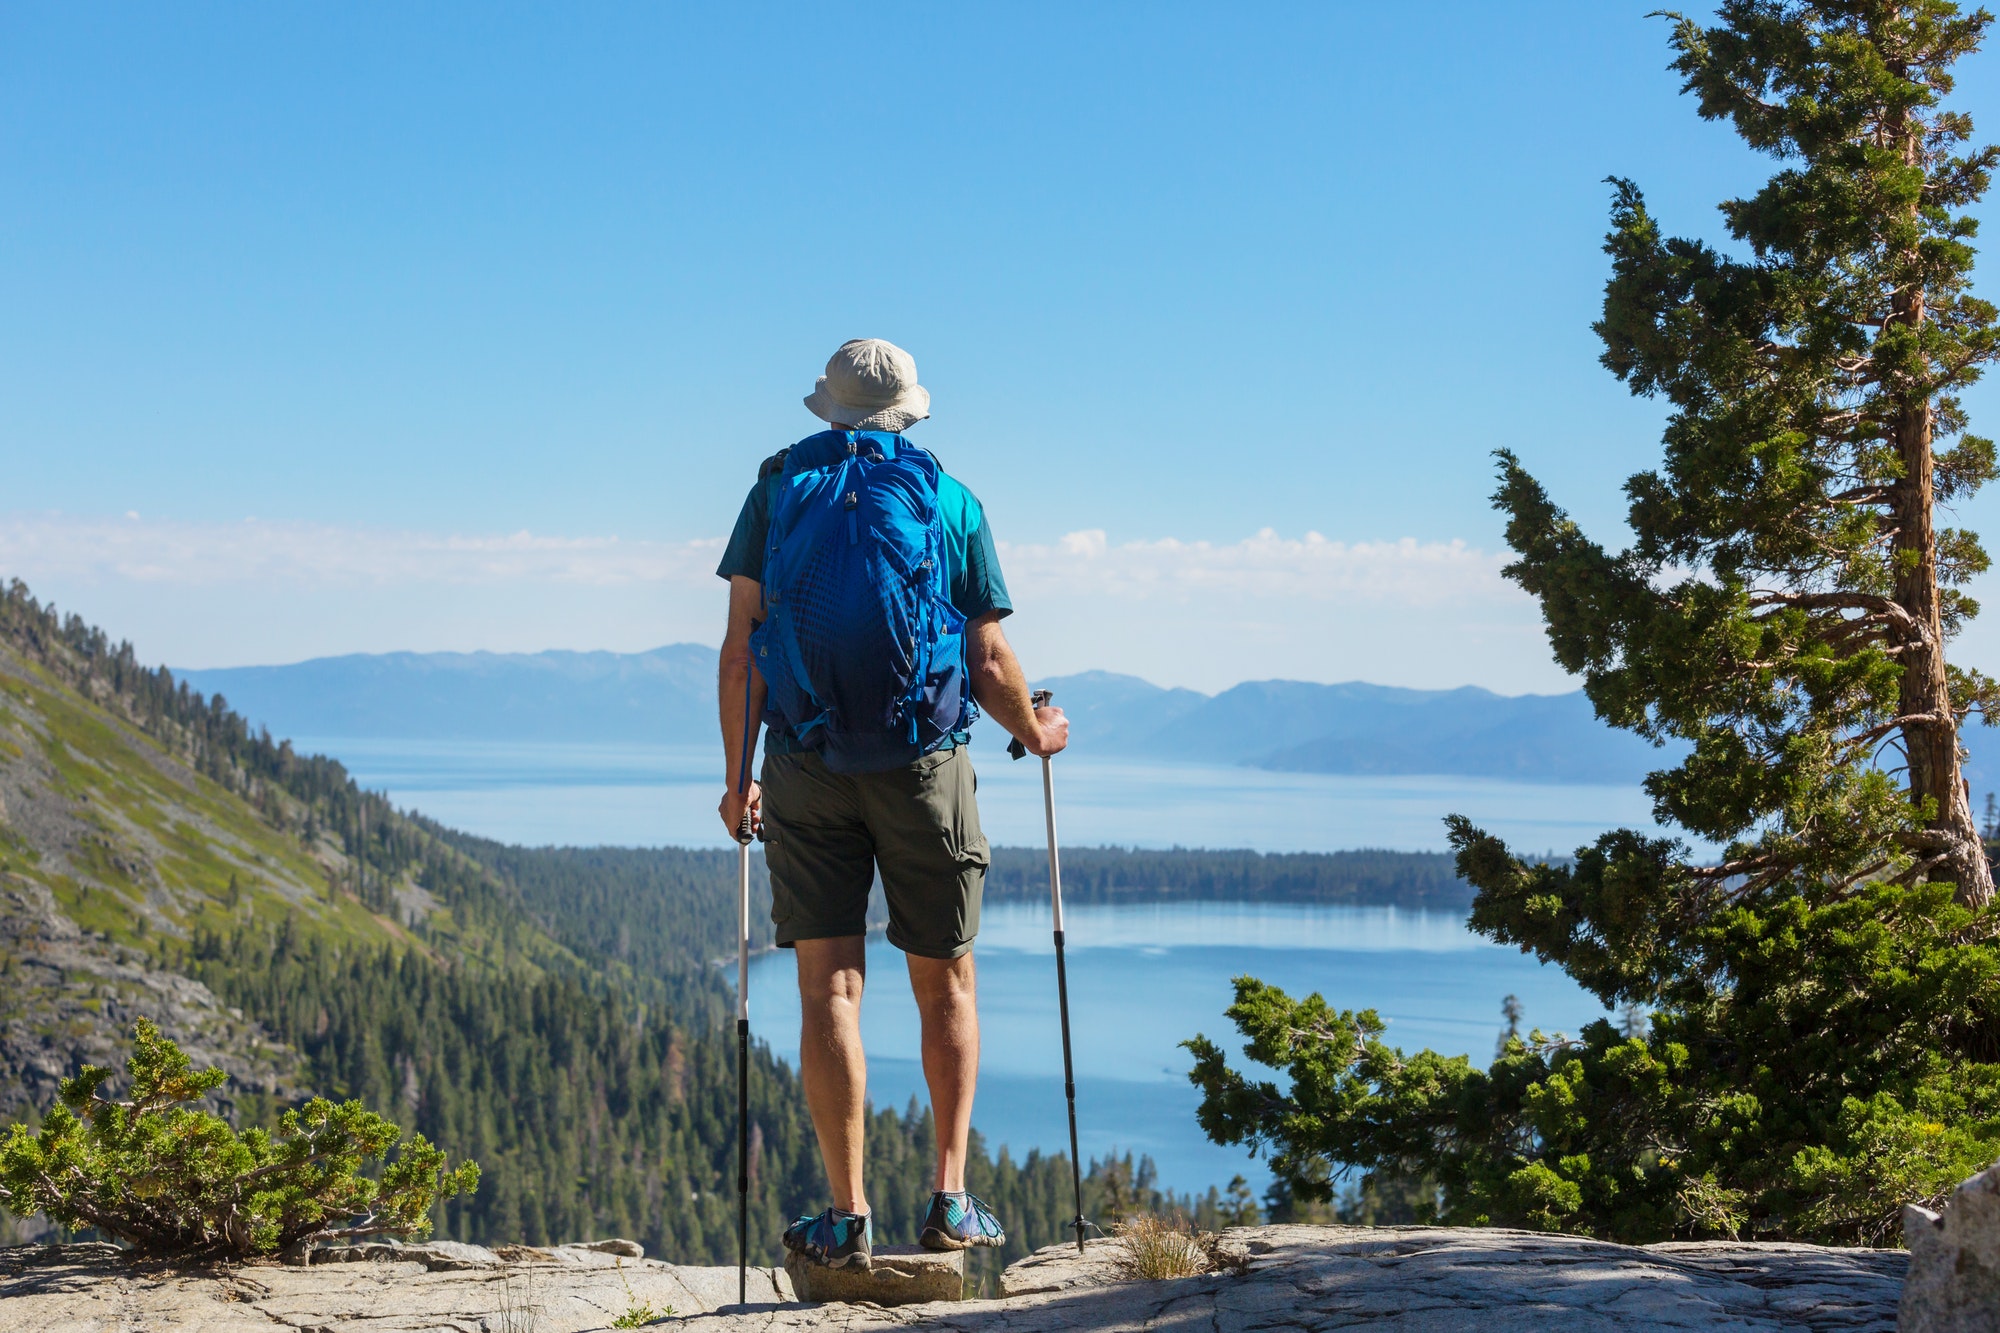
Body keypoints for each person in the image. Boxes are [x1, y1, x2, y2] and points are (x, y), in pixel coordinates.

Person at [714, 338, 1069, 1271]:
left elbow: (742, 645)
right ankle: (950, 1199)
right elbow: (988, 661)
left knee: (830, 984)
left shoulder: (776, 492)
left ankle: (845, 1215)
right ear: (910, 411)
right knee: (943, 978)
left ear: (826, 409)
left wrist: (737, 773)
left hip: (802, 760)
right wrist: (1036, 732)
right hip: (925, 764)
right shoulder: (950, 500)